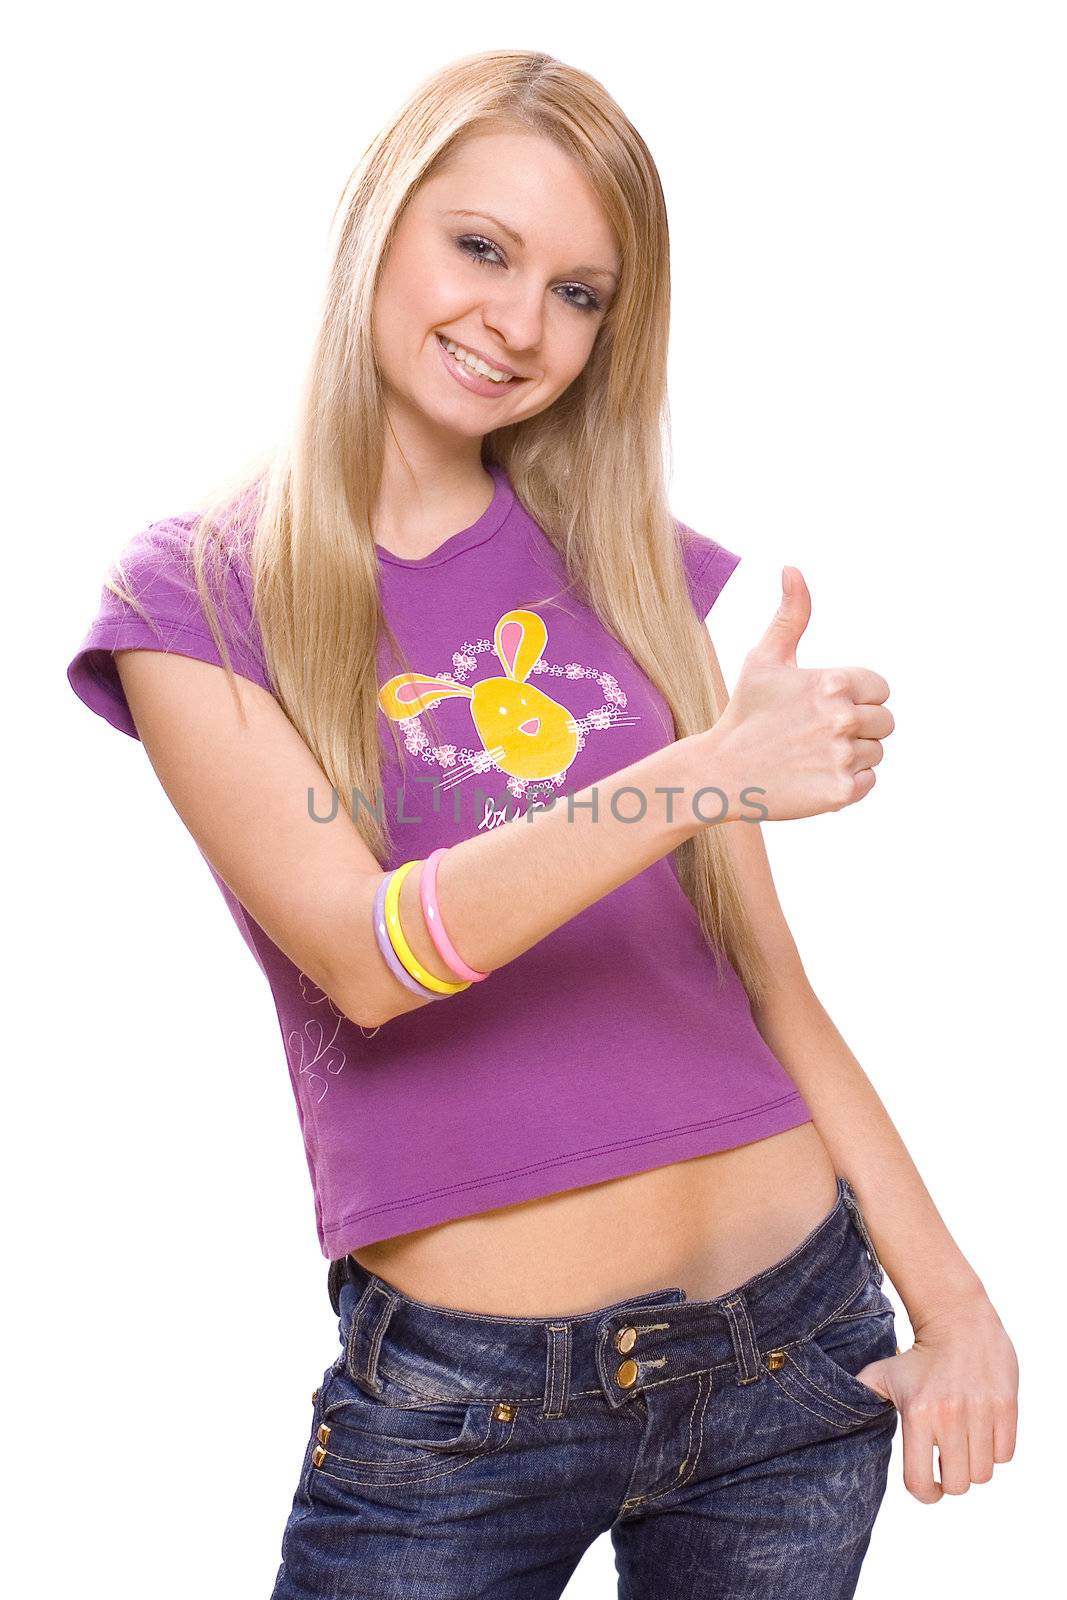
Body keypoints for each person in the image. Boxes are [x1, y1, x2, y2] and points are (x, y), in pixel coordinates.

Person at [67, 47, 1017, 1600]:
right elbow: (370, 958)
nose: (518, 323)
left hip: (795, 1357)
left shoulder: (627, 560)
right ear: (381, 224)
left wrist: (954, 1299)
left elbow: (767, 984)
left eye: (581, 293)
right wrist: (708, 769)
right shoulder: (195, 594)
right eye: (483, 248)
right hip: (466, 1414)